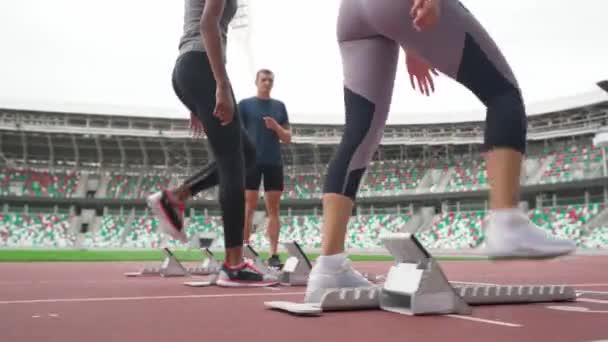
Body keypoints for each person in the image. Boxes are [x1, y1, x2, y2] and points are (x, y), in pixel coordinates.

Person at [304, 0, 577, 302]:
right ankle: (507, 221)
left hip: (353, 12)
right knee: (503, 94)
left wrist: (410, 44)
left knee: (360, 133)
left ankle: (329, 265)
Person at [147, 0, 278, 287]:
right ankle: (233, 264)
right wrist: (220, 85)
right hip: (201, 65)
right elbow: (207, 25)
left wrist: (198, 99)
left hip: (187, 68)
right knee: (234, 160)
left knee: (246, 152)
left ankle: (176, 197)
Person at [239, 69, 292, 269]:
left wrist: (276, 127)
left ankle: (273, 254)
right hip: (251, 161)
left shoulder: (279, 106)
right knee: (248, 206)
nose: (267, 83)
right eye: (264, 79)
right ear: (256, 81)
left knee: (274, 210)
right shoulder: (244, 105)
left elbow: (287, 137)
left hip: (273, 161)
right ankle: (245, 249)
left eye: (270, 80)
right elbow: (236, 132)